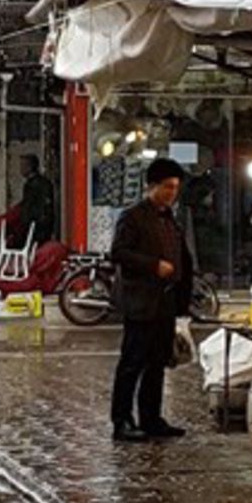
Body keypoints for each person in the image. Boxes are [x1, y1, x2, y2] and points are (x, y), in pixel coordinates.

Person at [108, 157, 194, 442]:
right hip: (141, 302)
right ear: (152, 186)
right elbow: (119, 253)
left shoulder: (170, 219)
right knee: (132, 362)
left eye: (176, 188)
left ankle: (151, 417)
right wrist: (153, 265)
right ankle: (122, 420)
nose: (172, 193)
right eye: (167, 187)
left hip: (165, 303)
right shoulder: (133, 217)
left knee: (158, 362)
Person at [16, 153, 58, 249]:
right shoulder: (44, 183)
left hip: (36, 227)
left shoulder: (33, 185)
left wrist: (26, 224)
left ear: (30, 167)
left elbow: (30, 207)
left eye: (23, 166)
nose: (20, 169)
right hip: (41, 226)